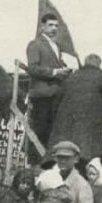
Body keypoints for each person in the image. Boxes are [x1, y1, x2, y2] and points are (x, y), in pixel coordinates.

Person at [50, 54, 102, 159]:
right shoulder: (101, 77)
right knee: (87, 161)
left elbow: (55, 104)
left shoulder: (70, 78)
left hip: (64, 135)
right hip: (88, 134)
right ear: (99, 65)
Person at [23, 13, 71, 164]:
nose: (54, 28)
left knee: (51, 132)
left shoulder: (56, 47)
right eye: (50, 25)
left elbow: (56, 65)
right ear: (42, 27)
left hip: (55, 95)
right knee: (39, 130)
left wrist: (64, 69)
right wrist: (54, 72)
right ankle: (34, 163)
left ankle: (46, 163)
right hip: (42, 95)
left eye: (56, 26)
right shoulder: (35, 45)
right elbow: (33, 68)